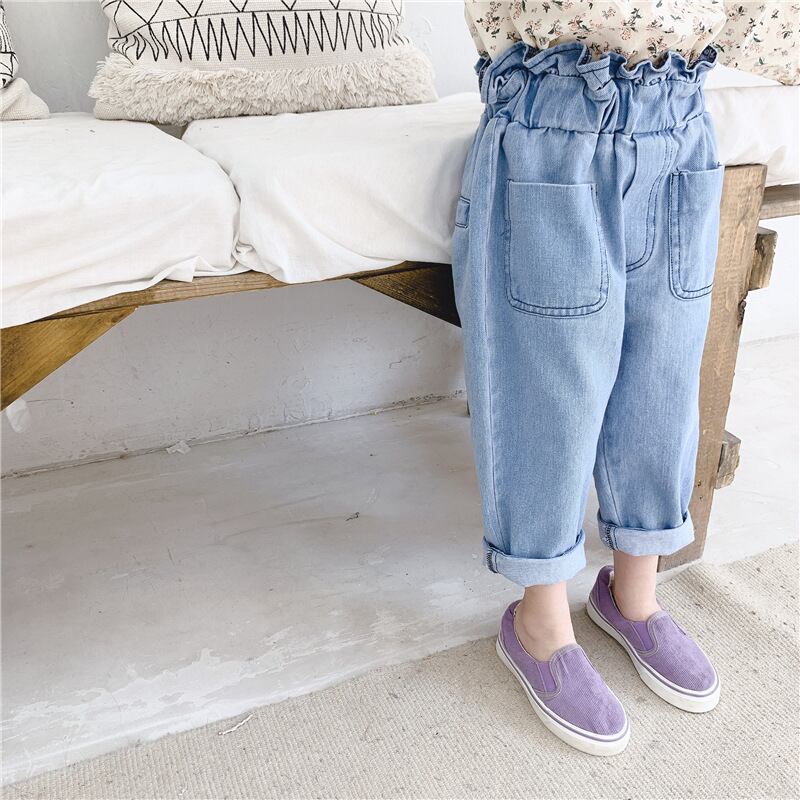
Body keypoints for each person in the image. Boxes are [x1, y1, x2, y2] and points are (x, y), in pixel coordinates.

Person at [453, 1, 798, 756]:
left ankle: (634, 595)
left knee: (663, 378)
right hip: (551, 128)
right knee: (552, 384)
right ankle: (539, 621)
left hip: (679, 123)